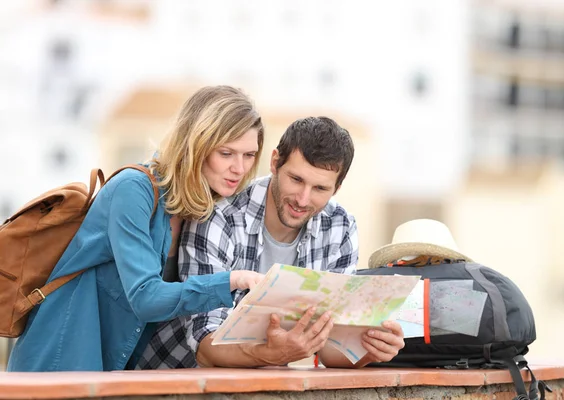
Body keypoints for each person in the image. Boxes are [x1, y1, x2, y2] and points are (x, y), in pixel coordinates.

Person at [8, 85, 265, 372]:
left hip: (115, 370)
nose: (239, 168)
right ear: (196, 145)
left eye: (249, 155)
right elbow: (146, 298)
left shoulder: (199, 209)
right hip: (60, 358)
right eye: (227, 153)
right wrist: (232, 280)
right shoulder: (134, 190)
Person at [137, 116, 405, 369]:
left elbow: (330, 347)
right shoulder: (220, 215)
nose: (302, 199)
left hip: (260, 382)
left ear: (337, 187)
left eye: (320, 189)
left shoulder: (340, 226)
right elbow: (206, 344)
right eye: (296, 179)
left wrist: (368, 351)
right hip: (174, 378)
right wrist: (270, 354)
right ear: (275, 162)